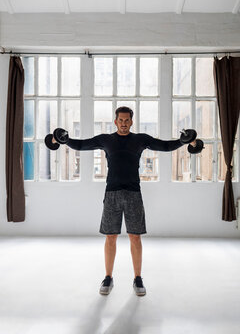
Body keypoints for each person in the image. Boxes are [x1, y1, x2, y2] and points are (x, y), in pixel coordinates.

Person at [52, 106, 197, 296]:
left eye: (127, 120)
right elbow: (81, 145)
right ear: (115, 121)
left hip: (133, 193)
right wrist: (62, 139)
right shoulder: (106, 140)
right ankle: (108, 277)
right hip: (111, 193)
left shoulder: (140, 139)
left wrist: (184, 141)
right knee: (110, 237)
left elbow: (165, 146)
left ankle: (137, 278)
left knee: (135, 237)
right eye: (120, 120)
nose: (123, 124)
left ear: (131, 121)